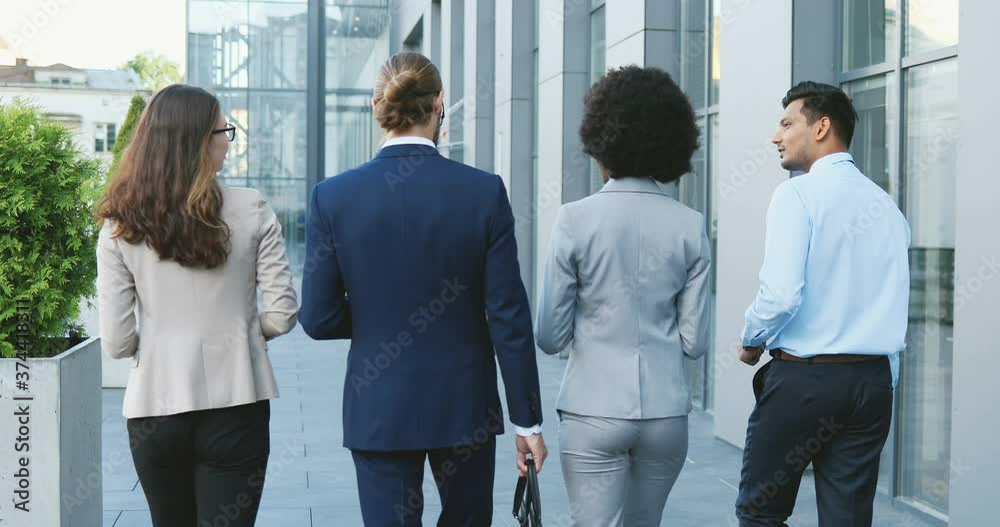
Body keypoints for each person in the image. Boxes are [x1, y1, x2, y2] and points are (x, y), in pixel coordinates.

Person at [298, 51, 547, 526]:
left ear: (377, 106)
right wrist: (527, 422)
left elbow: (317, 317)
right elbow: (509, 316)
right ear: (439, 104)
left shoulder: (333, 197)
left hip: (379, 407)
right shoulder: (483, 191)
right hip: (464, 407)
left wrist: (375, 315)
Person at [96, 84, 298, 527]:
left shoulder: (120, 221)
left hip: (155, 406)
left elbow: (115, 341)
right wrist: (245, 332)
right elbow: (282, 315)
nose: (228, 140)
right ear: (199, 141)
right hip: (238, 400)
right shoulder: (252, 207)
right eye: (223, 130)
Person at [534, 65, 710, 526]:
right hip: (665, 412)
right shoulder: (690, 226)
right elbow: (694, 343)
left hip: (592, 408)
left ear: (600, 138)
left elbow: (549, 337)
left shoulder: (573, 219)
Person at [735, 81, 910, 526]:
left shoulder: (797, 194)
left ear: (822, 127)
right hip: (872, 383)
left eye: (787, 123)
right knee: (848, 518)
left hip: (806, 381)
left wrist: (751, 340)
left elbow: (780, 295)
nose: (777, 136)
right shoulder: (887, 207)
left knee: (761, 511)